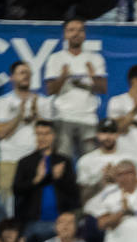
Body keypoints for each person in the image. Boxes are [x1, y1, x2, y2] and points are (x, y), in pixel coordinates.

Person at [0, 62, 53, 218]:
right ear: (12, 77)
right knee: (7, 206)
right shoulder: (2, 102)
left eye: (28, 73)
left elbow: (49, 134)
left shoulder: (43, 102)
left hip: (34, 159)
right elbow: (1, 133)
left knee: (34, 202)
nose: (26, 75)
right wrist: (19, 116)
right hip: (10, 159)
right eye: (21, 72)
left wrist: (37, 115)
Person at [43, 18, 108, 158]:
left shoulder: (95, 58)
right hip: (63, 117)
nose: (76, 34)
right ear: (65, 34)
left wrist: (93, 76)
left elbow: (103, 89)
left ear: (85, 34)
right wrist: (63, 76)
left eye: (80, 30)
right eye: (71, 30)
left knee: (90, 163)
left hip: (88, 118)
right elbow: (50, 90)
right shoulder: (55, 58)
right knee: (62, 162)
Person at [14, 122, 80, 242]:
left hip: (59, 224)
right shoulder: (25, 162)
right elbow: (17, 190)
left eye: (46, 134)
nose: (42, 138)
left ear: (54, 136)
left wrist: (58, 178)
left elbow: (74, 194)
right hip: (32, 223)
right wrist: (37, 180)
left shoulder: (64, 161)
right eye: (39, 134)